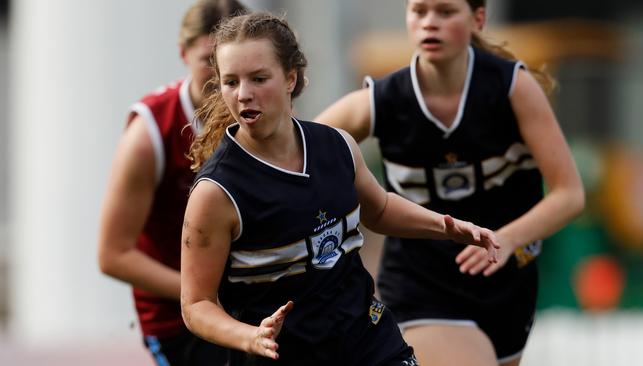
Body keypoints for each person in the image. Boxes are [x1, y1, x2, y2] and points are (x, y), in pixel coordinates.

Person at [180, 12, 502, 366]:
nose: (243, 95)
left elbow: (378, 209)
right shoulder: (216, 193)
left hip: (369, 342)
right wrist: (250, 335)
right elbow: (196, 304)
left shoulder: (336, 146)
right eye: (230, 82)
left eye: (258, 78)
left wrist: (445, 227)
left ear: (290, 78)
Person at [315, 1, 585, 365]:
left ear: (478, 19)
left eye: (445, 12)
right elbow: (300, 154)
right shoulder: (382, 100)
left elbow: (570, 194)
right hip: (420, 282)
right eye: (419, 11)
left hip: (505, 279)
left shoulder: (512, 88)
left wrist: (508, 239)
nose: (429, 23)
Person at [97, 1, 247, 365]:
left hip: (248, 306)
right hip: (177, 322)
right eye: (207, 62)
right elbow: (113, 255)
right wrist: (201, 293)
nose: (221, 76)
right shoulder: (150, 134)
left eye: (232, 64)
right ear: (182, 53)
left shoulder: (262, 115)